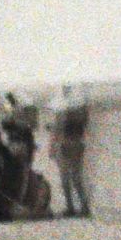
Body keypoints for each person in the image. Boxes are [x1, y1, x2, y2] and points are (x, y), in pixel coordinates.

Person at [48, 83, 93, 218]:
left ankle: (70, 207)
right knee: (77, 177)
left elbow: (58, 130)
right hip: (78, 144)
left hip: (64, 145)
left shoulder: (62, 109)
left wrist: (52, 146)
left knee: (65, 178)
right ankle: (84, 207)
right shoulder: (81, 111)